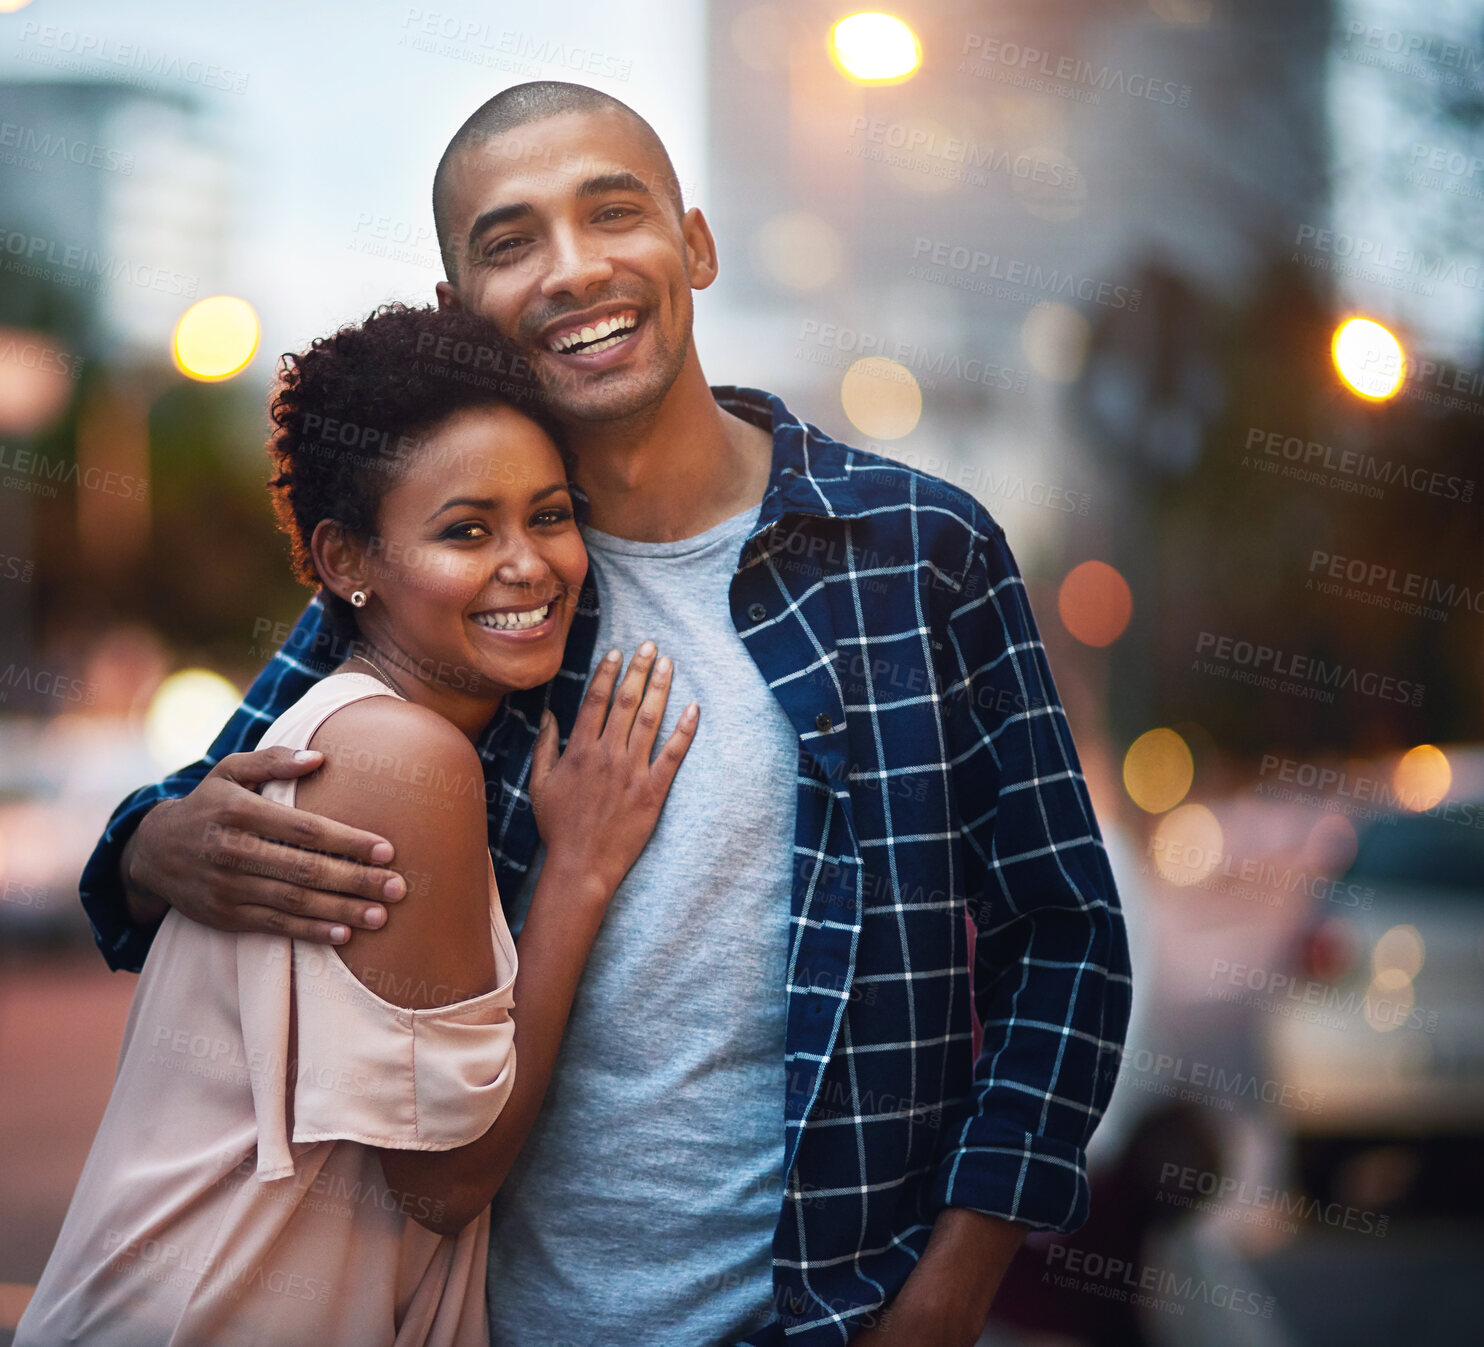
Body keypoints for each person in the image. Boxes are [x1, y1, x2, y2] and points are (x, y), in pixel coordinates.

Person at [79, 82, 1132, 1346]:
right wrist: (148, 848)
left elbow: (1064, 937)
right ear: (461, 305)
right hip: (504, 1322)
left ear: (692, 242)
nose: (572, 270)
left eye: (611, 213)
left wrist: (952, 1290)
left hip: (831, 1313)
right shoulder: (463, 584)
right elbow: (209, 807)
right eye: (510, 241)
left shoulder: (918, 554)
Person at [22, 303, 695, 1347]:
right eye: (466, 531)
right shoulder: (398, 757)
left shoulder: (376, 730)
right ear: (345, 561)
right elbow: (446, 1179)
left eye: (550, 515)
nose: (528, 564)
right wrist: (578, 872)